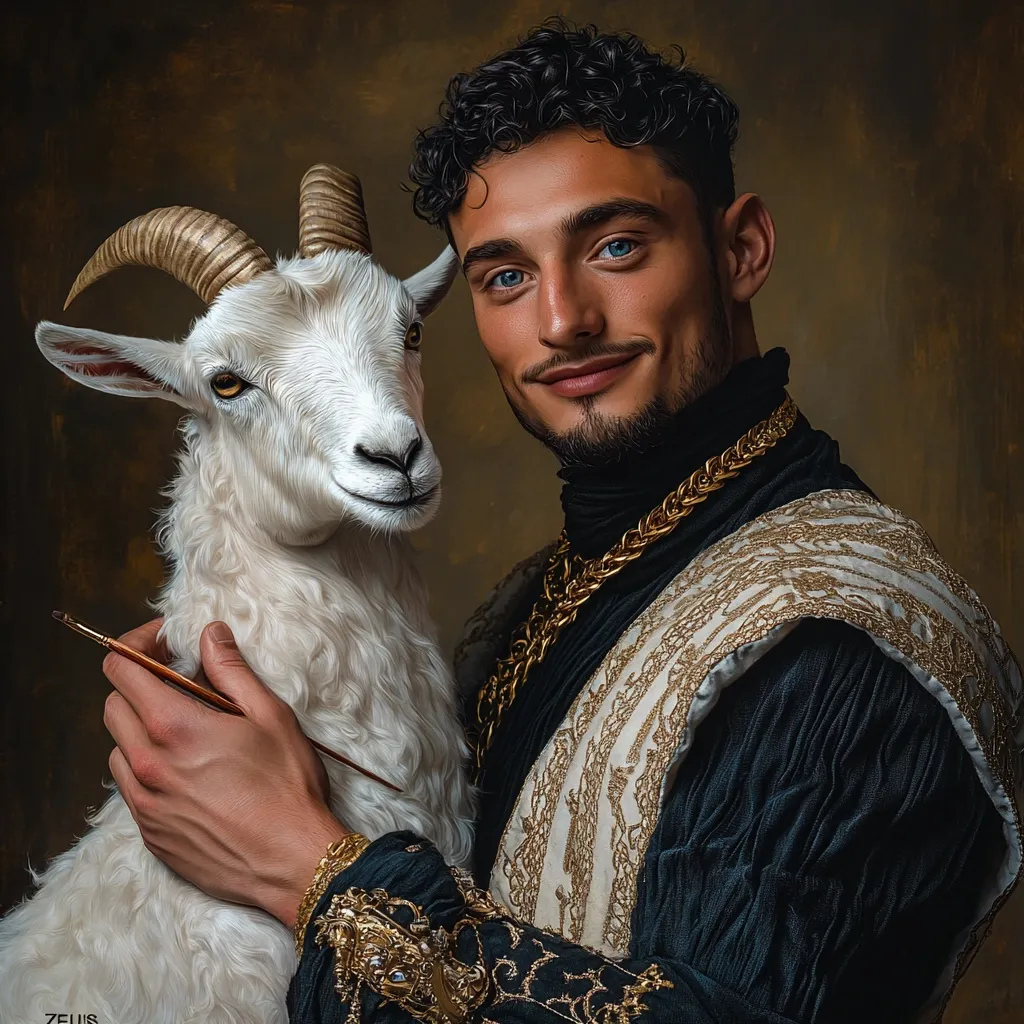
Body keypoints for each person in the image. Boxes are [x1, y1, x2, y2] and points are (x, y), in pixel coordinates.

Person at [100, 19, 1022, 1024]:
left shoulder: (838, 640)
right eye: (503, 275)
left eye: (616, 245)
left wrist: (306, 870)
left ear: (741, 249)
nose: (561, 319)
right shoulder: (542, 597)